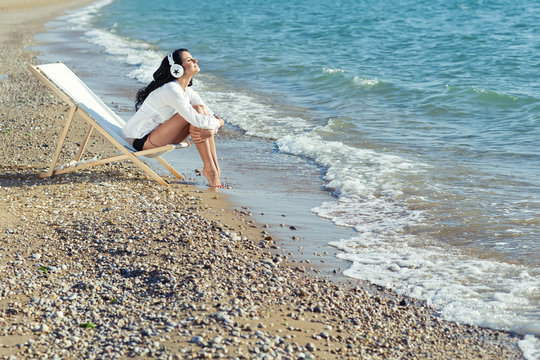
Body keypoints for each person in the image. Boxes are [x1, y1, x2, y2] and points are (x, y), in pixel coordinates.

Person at [122, 48, 224, 187]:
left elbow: (208, 114)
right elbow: (200, 120)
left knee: (200, 112)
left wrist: (214, 125)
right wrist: (219, 123)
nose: (195, 61)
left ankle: (214, 170)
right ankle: (211, 171)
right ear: (177, 69)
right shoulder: (171, 89)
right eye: (189, 60)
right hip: (143, 142)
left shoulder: (186, 91)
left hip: (157, 138)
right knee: (197, 114)